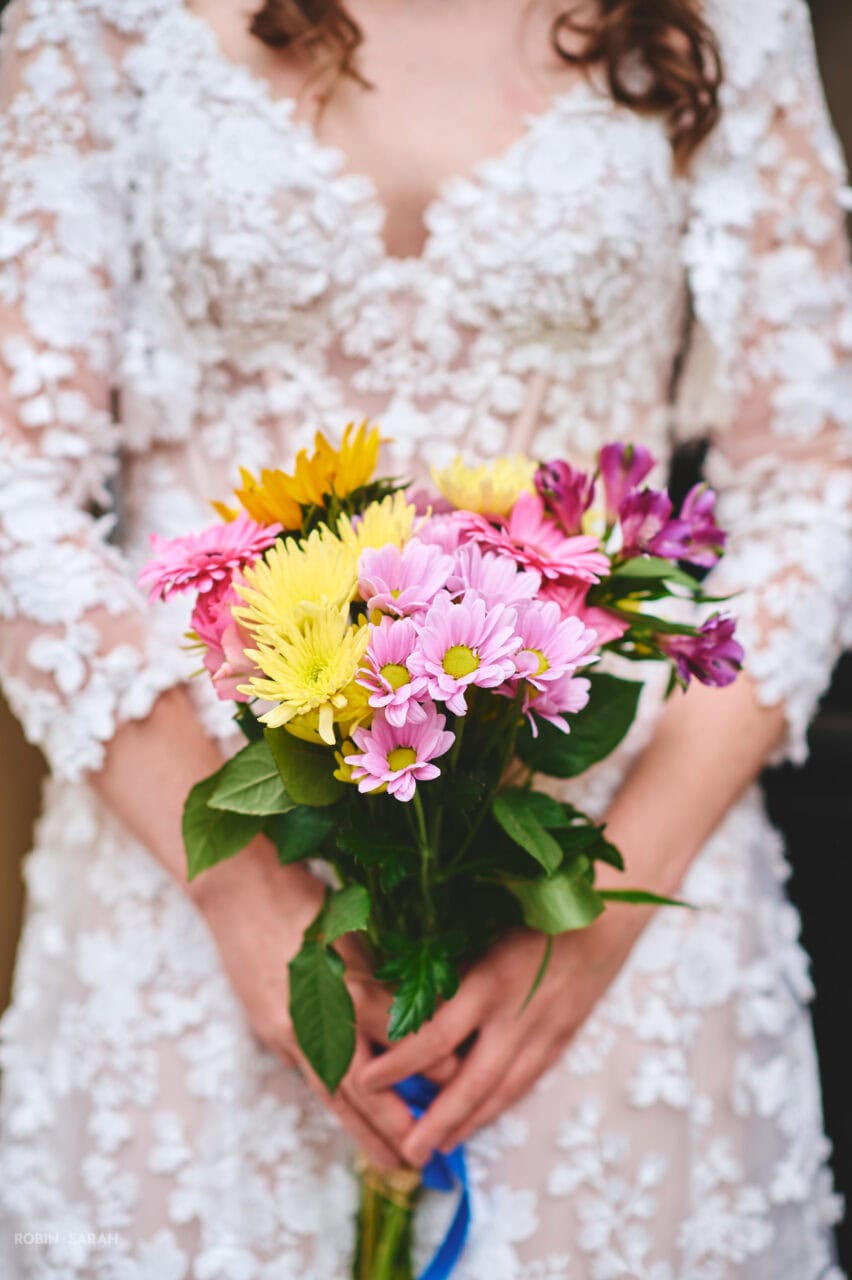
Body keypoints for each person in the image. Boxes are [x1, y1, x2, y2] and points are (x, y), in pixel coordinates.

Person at [0, 0, 849, 1275]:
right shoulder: (89, 16)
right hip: (189, 874)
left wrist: (599, 918)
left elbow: (822, 477)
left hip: (606, 890)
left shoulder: (733, 15)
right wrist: (240, 894)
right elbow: (13, 473)